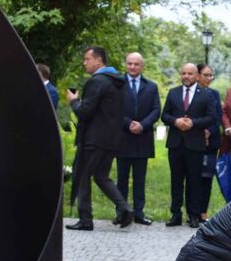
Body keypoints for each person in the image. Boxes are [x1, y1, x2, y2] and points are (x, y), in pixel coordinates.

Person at [65, 46, 133, 231]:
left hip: (94, 139)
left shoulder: (98, 81)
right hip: (111, 139)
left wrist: (73, 100)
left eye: (87, 59)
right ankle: (125, 208)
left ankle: (85, 219)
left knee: (83, 176)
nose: (84, 62)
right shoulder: (117, 81)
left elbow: (85, 112)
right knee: (101, 176)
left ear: (99, 60)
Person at [161, 63, 217, 228]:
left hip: (195, 144)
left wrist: (193, 123)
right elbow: (165, 115)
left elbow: (212, 117)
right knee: (176, 180)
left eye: (190, 74)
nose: (186, 76)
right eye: (184, 73)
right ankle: (175, 214)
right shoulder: (173, 93)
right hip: (175, 143)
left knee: (194, 181)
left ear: (197, 76)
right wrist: (175, 121)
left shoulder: (206, 95)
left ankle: (193, 215)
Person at [116, 52, 160, 225]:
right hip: (123, 138)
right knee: (122, 179)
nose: (132, 67)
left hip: (143, 138)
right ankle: (121, 212)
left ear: (142, 66)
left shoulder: (151, 86)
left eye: (136, 64)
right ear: (126, 65)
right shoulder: (117, 85)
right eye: (129, 64)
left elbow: (156, 110)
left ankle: (139, 213)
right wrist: (128, 124)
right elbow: (113, 108)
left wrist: (142, 125)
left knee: (140, 179)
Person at [196, 63, 221, 221]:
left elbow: (216, 116)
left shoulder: (214, 94)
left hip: (211, 143)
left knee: (207, 178)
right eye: (206, 75)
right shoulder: (192, 93)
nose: (209, 78)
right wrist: (200, 132)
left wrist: (209, 131)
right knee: (194, 177)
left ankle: (203, 211)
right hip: (194, 141)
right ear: (198, 75)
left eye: (210, 75)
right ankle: (193, 210)